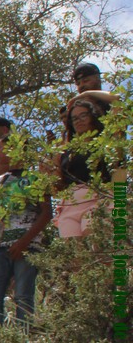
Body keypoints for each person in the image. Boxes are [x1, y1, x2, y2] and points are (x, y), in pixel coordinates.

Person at [0, 165, 51, 327]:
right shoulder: (1, 180)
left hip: (28, 247)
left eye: (2, 152)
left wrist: (24, 242)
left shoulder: (37, 178)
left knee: (23, 297)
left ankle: (23, 338)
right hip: (0, 246)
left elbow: (46, 213)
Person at [53, 98, 112, 239]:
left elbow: (115, 100)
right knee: (74, 250)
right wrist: (49, 173)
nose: (78, 121)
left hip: (99, 200)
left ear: (93, 116)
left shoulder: (106, 142)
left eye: (83, 115)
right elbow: (57, 188)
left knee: (97, 245)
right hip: (70, 205)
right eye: (74, 118)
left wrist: (82, 96)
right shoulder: (64, 151)